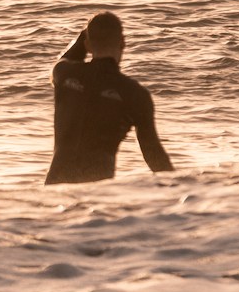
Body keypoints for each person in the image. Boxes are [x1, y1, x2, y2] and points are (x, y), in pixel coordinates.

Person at [46, 12, 174, 185]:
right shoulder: (134, 93)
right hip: (97, 192)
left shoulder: (64, 73)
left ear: (88, 45)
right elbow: (153, 155)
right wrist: (179, 189)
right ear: (123, 42)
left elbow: (66, 58)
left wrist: (87, 34)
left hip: (54, 187)